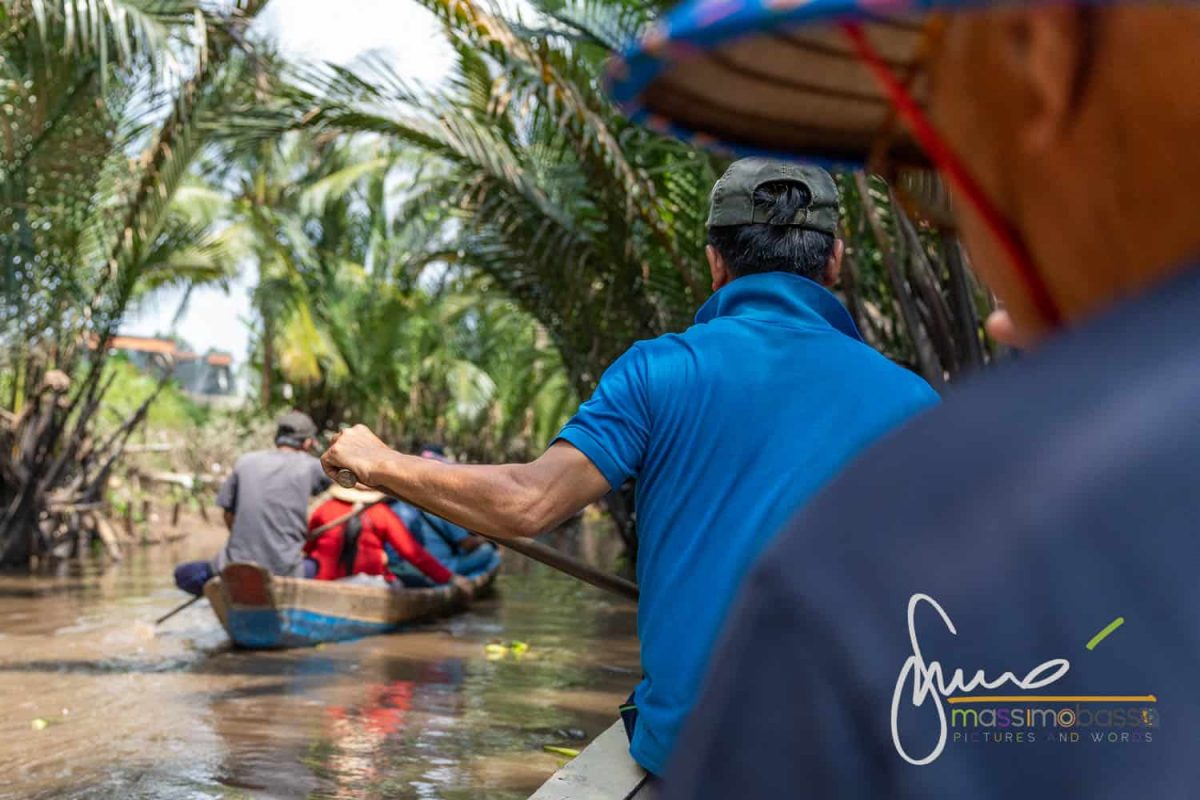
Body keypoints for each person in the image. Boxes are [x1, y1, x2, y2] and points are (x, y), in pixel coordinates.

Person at [603, 2, 1200, 797]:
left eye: (927, 162)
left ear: (1042, 48)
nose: (964, 233)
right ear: (836, 259)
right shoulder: (926, 416)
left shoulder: (850, 584)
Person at [321, 159, 939, 777]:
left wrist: (381, 462)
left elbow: (527, 503)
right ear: (835, 260)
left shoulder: (658, 371)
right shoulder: (916, 403)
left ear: (715, 263)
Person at [173, 411, 330, 596]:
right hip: (285, 571)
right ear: (308, 443)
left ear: (277, 438)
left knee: (182, 574)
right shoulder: (312, 466)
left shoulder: (245, 462)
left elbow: (228, 515)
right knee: (318, 564)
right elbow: (344, 482)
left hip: (233, 568)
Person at [304, 484, 467, 590]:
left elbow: (308, 548)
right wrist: (450, 578)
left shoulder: (325, 509)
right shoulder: (381, 513)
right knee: (416, 582)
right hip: (372, 584)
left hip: (325, 580)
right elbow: (413, 553)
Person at [387, 444, 501, 585]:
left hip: (409, 565)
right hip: (438, 568)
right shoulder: (444, 505)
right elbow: (465, 544)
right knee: (488, 551)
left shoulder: (398, 501)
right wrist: (485, 540)